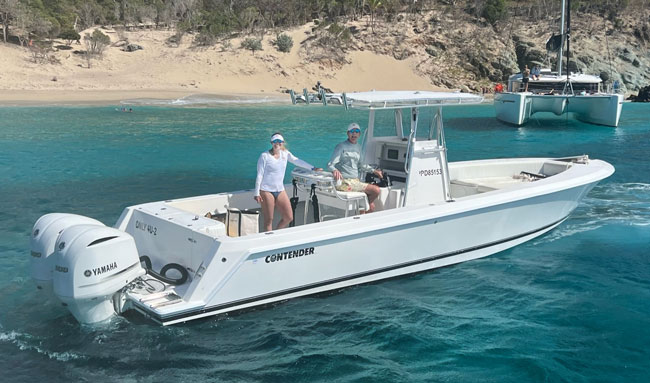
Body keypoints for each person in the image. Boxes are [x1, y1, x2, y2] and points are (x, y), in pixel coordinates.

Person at [254, 133, 322, 232]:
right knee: (268, 220)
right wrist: (256, 193)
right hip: (266, 191)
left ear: (283, 143)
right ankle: (269, 241)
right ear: (271, 143)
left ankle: (275, 235)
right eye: (274, 142)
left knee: (288, 217)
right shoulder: (264, 156)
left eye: (279, 142)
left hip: (280, 190)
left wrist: (313, 168)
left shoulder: (285, 153)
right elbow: (259, 175)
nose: (277, 144)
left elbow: (297, 161)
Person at [327, 123, 383, 213]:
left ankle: (364, 212)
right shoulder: (341, 146)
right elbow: (330, 165)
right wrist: (335, 170)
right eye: (352, 132)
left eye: (357, 131)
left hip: (355, 181)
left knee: (371, 207)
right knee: (376, 190)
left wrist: (375, 171)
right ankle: (366, 207)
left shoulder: (358, 147)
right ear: (347, 133)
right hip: (345, 182)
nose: (354, 134)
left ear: (359, 134)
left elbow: (362, 165)